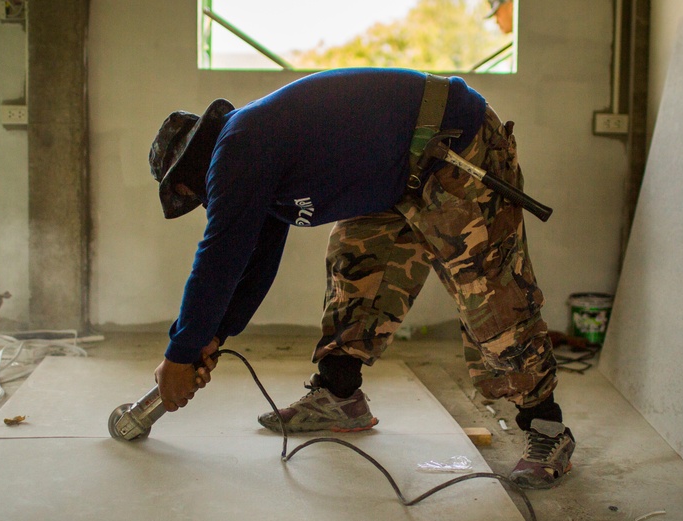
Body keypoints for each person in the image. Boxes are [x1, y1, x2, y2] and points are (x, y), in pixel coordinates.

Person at [148, 67, 575, 489]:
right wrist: (214, 335)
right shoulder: (254, 156)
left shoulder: (238, 148)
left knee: (489, 292)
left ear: (193, 165)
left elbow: (219, 257)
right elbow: (255, 261)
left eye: (186, 192)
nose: (197, 201)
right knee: (356, 265)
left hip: (455, 146)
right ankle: (339, 396)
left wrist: (180, 353)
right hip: (399, 173)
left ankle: (547, 428)